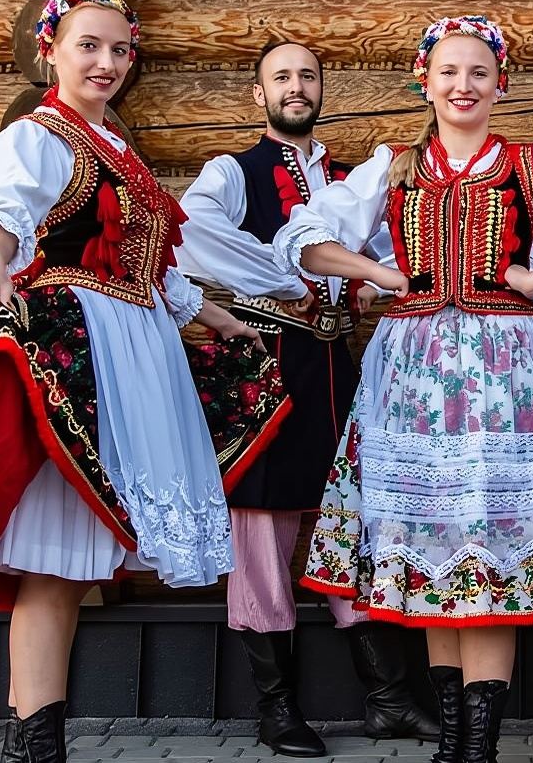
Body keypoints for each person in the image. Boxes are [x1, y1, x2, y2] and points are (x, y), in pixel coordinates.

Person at [273, 15, 533, 763]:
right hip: (412, 375)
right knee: (428, 544)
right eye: (448, 71)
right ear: (426, 81)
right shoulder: (393, 167)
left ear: (500, 84)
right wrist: (378, 272)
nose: (463, 85)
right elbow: (303, 237)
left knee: (489, 543)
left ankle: (478, 746)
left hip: (504, 376)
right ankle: (454, 742)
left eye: (478, 72)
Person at [0, 0, 266, 763]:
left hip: (137, 344)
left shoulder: (116, 146)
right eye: (88, 45)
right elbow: (4, 213)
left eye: (119, 49)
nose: (106, 63)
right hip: (81, 352)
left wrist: (219, 318)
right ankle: (34, 746)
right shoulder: (38, 135)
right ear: (49, 49)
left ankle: (39, 740)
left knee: (81, 557)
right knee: (57, 557)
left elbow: (155, 265)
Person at [176, 39, 436, 757]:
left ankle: (388, 699)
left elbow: (398, 250)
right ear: (259, 95)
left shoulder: (351, 180)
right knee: (260, 528)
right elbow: (192, 234)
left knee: (355, 519)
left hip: (336, 364)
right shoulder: (233, 171)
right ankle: (277, 709)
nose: (296, 86)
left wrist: (371, 272)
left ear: (323, 89)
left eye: (308, 76)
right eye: (281, 77)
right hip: (265, 359)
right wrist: (286, 272)